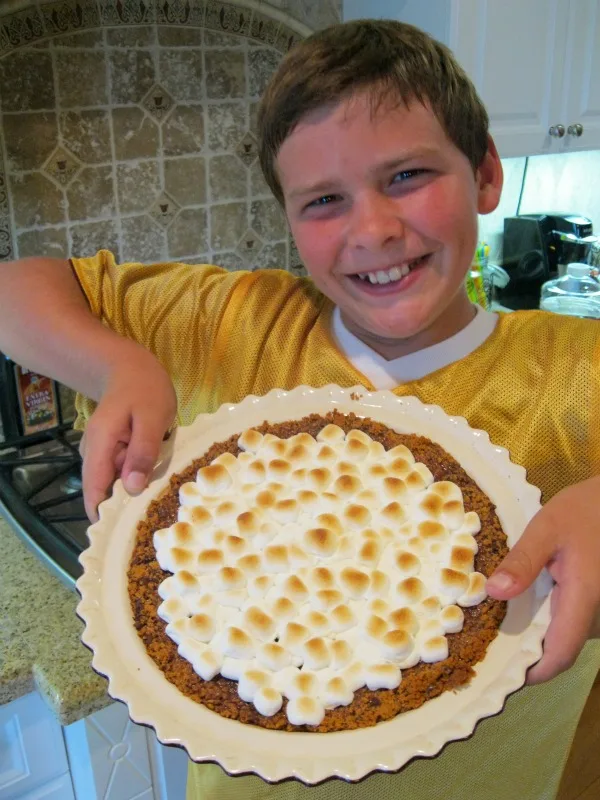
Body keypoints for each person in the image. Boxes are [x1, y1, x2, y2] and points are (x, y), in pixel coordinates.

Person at [0, 18, 598, 800]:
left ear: (486, 173)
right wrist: (119, 362)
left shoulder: (576, 372)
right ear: (285, 217)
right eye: (323, 200)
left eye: (409, 175)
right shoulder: (232, 323)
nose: (373, 229)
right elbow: (18, 289)